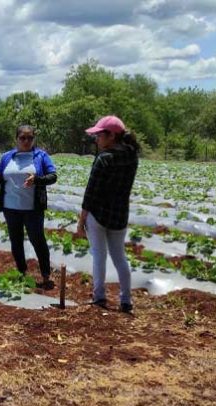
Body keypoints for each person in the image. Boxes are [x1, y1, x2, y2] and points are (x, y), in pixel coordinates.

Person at [76, 115, 140, 313]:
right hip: (120, 215)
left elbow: (91, 192)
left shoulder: (104, 159)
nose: (97, 139)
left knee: (99, 256)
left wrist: (81, 220)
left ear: (111, 136)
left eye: (99, 135)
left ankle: (99, 296)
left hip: (99, 214)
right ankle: (126, 300)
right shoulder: (132, 157)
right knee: (120, 256)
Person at [0, 125, 57, 290]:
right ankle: (21, 272)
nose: (26, 141)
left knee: (37, 240)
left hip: (33, 209)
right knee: (16, 241)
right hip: (10, 207)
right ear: (16, 139)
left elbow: (53, 176)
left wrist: (37, 179)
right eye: (22, 138)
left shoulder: (41, 156)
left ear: (34, 139)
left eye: (30, 138)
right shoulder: (6, 157)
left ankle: (46, 275)